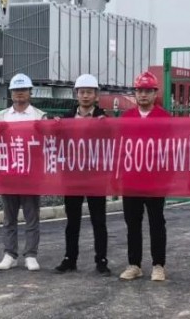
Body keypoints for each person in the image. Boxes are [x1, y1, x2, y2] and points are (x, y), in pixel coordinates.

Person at [54, 73, 111, 276]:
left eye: (89, 92)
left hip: (96, 175)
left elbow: (112, 142)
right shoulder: (66, 119)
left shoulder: (104, 119)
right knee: (72, 220)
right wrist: (55, 127)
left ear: (96, 95)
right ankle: (70, 258)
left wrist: (106, 126)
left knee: (99, 220)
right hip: (73, 175)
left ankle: (101, 260)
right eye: (82, 92)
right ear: (76, 94)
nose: (85, 96)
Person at [118, 71, 171, 283]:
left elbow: (172, 149)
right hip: (131, 179)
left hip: (155, 180)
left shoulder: (164, 118)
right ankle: (134, 264)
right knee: (132, 223)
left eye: (148, 91)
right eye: (140, 90)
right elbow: (119, 148)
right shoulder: (126, 118)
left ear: (155, 93)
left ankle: (158, 265)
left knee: (157, 222)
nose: (143, 95)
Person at [0, 73, 46, 272]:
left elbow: (47, 143)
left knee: (32, 217)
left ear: (30, 92)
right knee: (9, 217)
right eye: (16, 90)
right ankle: (10, 254)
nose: (19, 93)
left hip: (31, 174)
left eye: (23, 90)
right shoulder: (0, 117)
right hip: (8, 173)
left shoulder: (40, 116)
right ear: (11, 93)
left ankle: (31, 255)